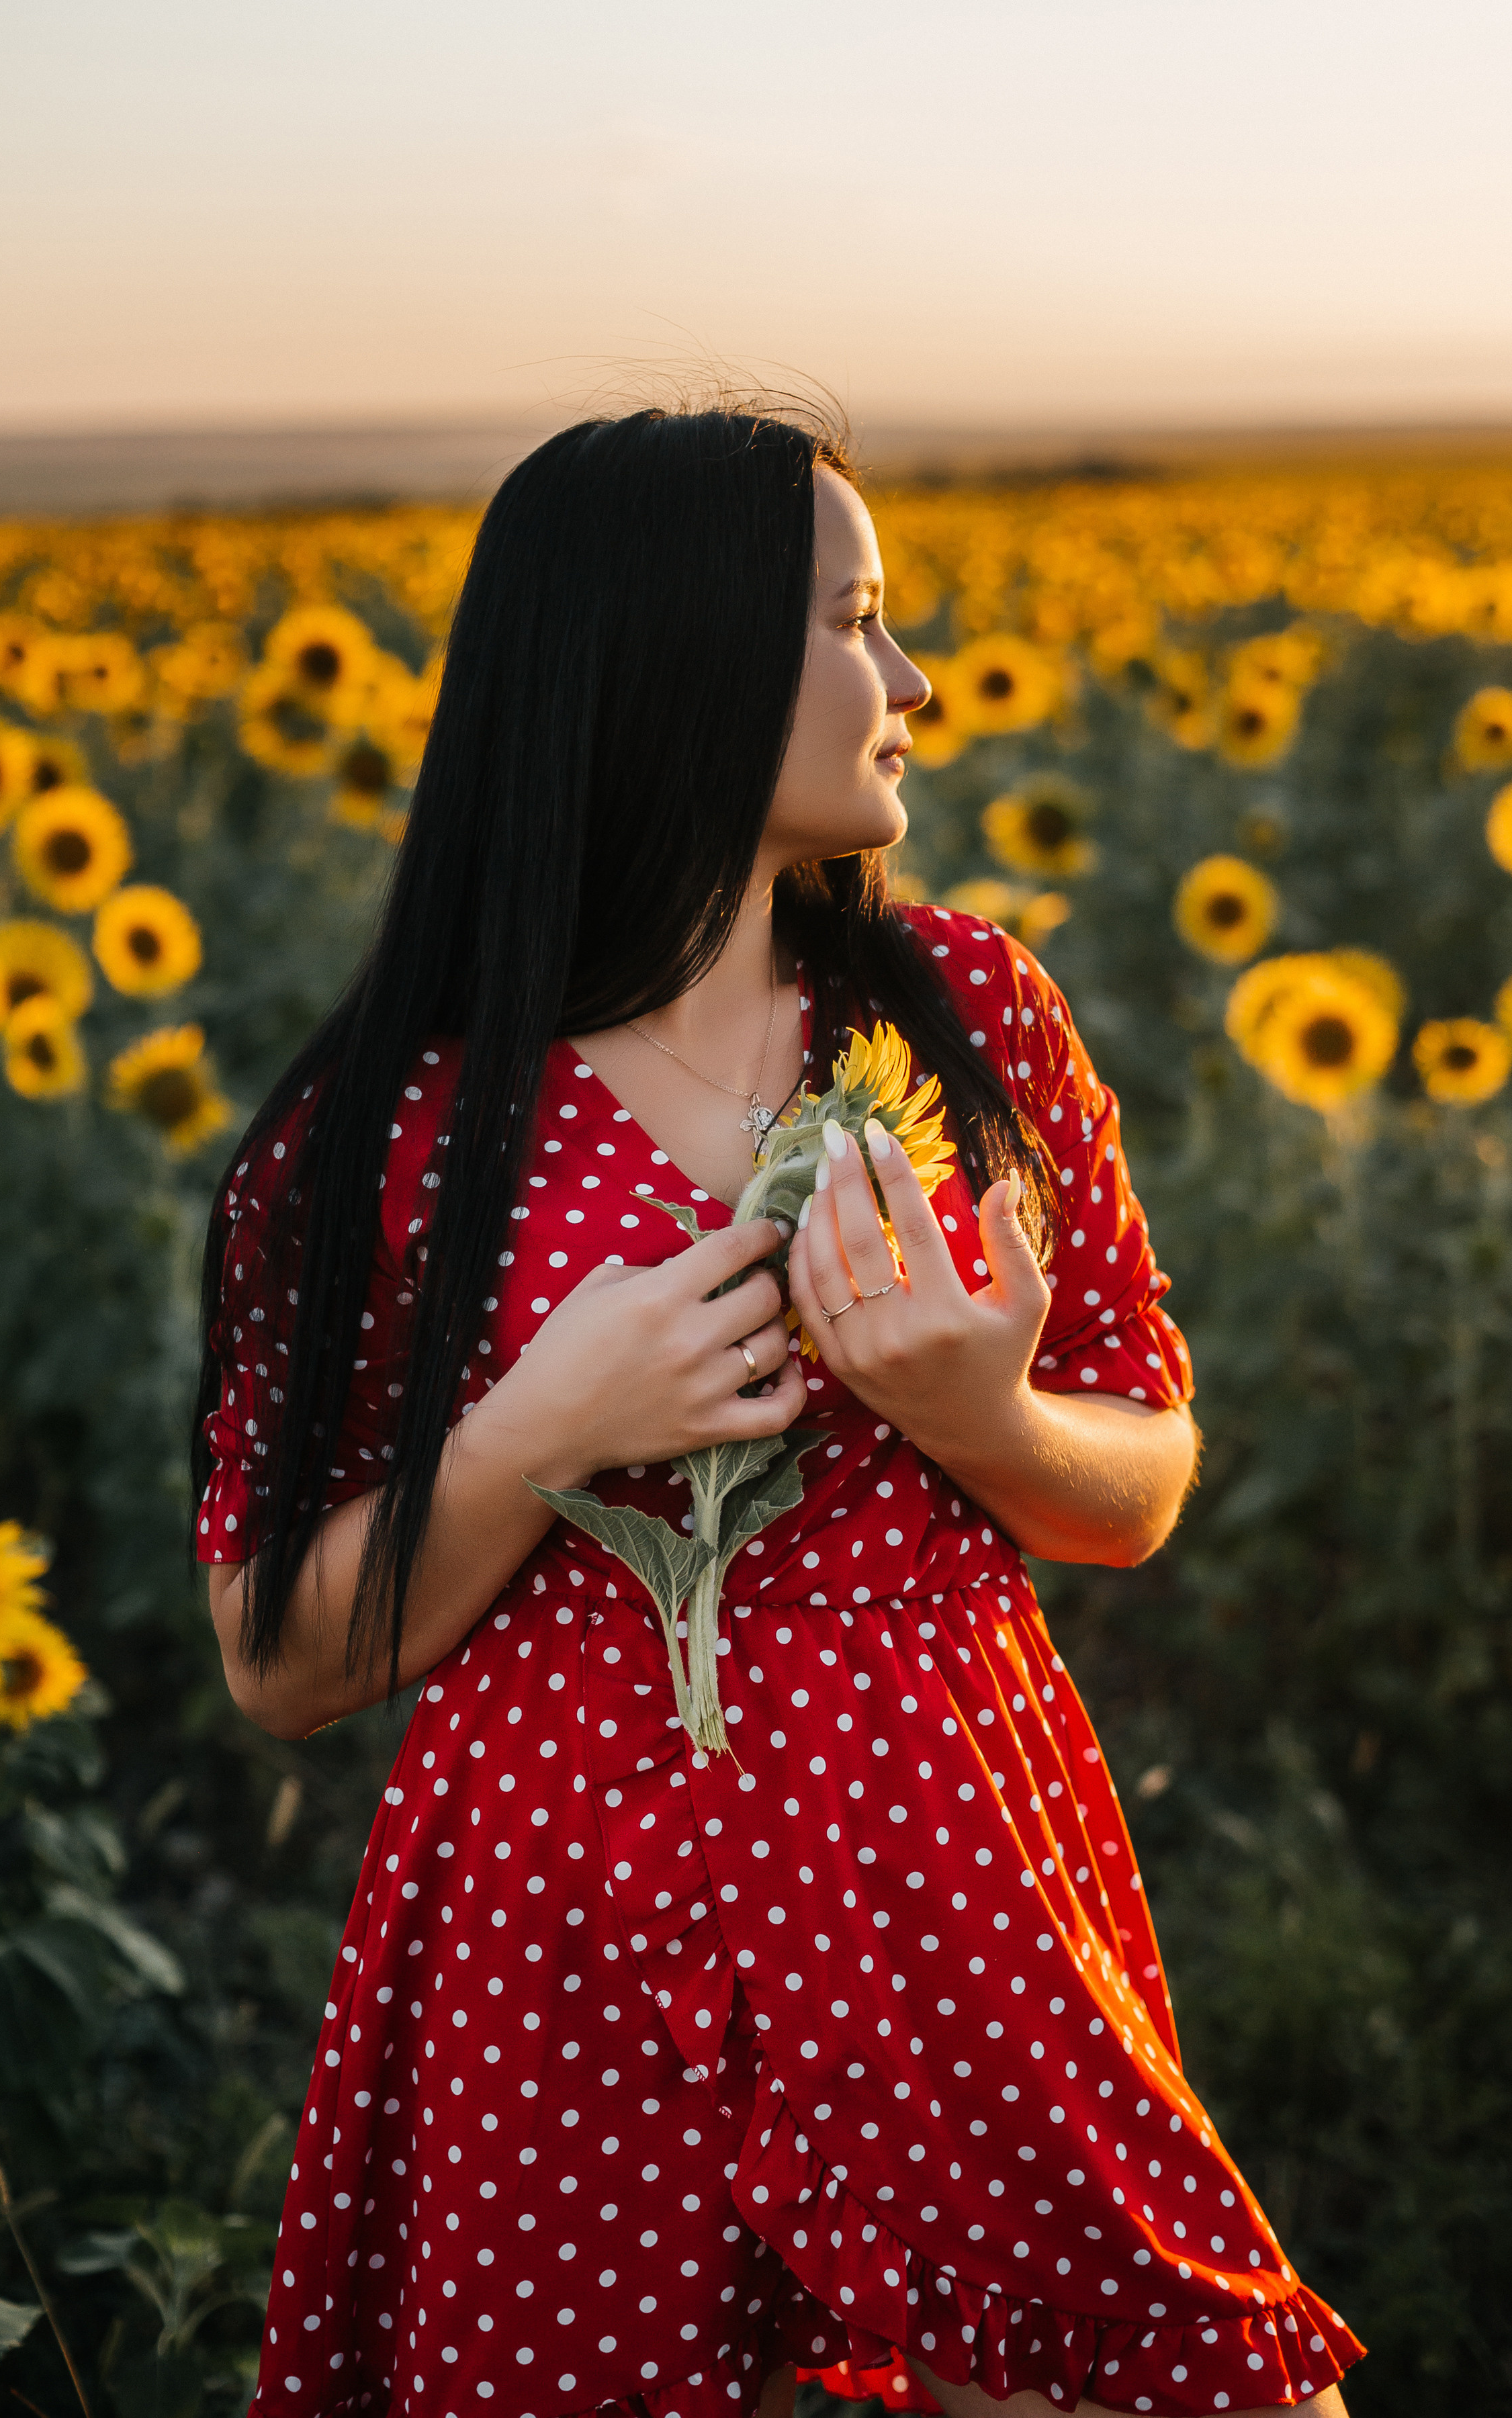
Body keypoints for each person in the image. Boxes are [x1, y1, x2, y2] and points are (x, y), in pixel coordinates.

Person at [195, 406, 1364, 2418]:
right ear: (684, 662)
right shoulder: (382, 1130)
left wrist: (981, 1413)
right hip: (556, 1918)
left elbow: (1141, 1475)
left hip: (942, 1871)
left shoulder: (968, 1015)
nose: (912, 682)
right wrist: (533, 1432)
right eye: (860, 619)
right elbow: (280, 1667)